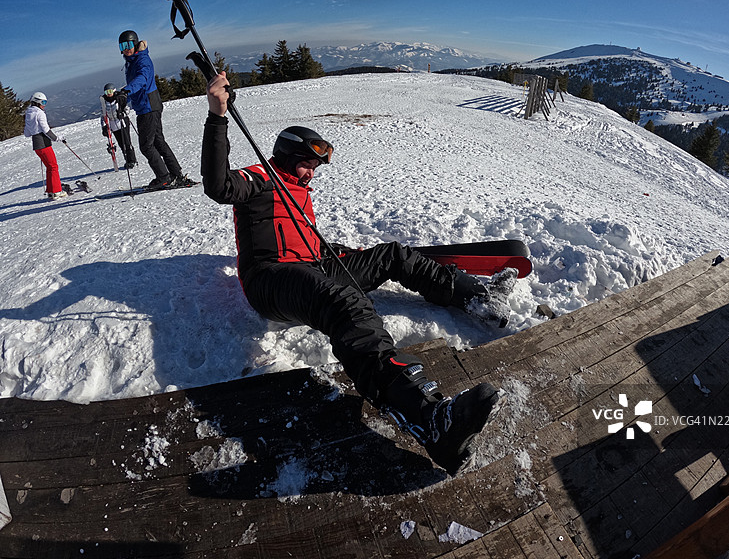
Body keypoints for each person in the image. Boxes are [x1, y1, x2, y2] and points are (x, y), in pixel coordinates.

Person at [202, 72, 516, 476]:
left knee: (393, 255)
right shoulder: (259, 177)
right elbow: (218, 185)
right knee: (345, 302)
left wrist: (343, 256)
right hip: (271, 280)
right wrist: (217, 117)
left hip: (312, 266)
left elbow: (303, 240)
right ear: (287, 153)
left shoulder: (300, 192)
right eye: (307, 163)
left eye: (316, 166)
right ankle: (430, 419)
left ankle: (476, 295)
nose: (311, 173)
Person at [117, 30, 194, 189]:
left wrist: (126, 91)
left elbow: (142, 79)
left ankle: (164, 177)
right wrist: (125, 99)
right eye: (122, 45)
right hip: (148, 106)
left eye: (129, 44)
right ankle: (176, 174)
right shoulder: (131, 62)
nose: (126, 49)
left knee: (146, 146)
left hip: (148, 107)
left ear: (135, 44)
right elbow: (136, 86)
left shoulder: (142, 60)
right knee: (158, 142)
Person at [24, 91, 67, 199]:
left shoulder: (28, 113)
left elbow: (27, 133)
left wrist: (34, 130)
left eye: (45, 102)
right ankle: (56, 192)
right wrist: (57, 138)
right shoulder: (39, 113)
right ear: (37, 102)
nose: (44, 104)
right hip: (44, 143)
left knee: (49, 167)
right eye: (43, 102)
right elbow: (46, 130)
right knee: (53, 166)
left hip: (36, 145)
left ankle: (51, 191)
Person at [100, 83, 137, 170]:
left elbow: (127, 109)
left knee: (127, 142)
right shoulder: (104, 102)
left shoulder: (119, 99)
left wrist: (122, 114)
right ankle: (127, 160)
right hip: (113, 125)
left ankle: (132, 160)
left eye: (109, 91)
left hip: (122, 123)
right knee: (121, 144)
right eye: (106, 92)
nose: (108, 93)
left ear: (113, 90)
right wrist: (104, 126)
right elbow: (103, 116)